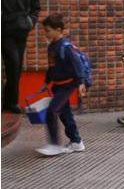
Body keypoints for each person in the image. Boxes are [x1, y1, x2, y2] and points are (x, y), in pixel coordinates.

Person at [36, 13, 86, 156]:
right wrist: (47, 82)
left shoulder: (66, 47)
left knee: (51, 111)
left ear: (58, 30)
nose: (45, 33)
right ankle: (77, 142)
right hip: (57, 86)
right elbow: (51, 67)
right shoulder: (51, 47)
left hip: (67, 86)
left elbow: (78, 65)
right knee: (65, 115)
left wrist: (81, 82)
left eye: (48, 30)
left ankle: (54, 144)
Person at [2, 0, 41, 113]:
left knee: (16, 67)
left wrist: (30, 22)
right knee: (14, 62)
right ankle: (11, 103)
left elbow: (36, 9)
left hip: (21, 31)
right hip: (4, 30)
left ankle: (8, 102)